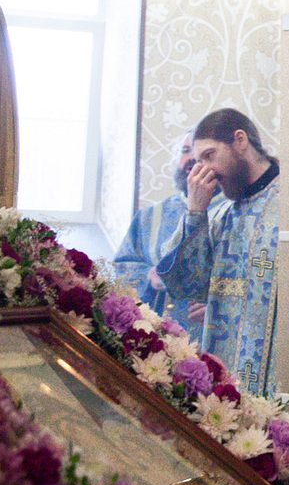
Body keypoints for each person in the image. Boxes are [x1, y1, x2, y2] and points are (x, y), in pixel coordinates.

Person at [157, 108, 280, 394]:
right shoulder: (217, 218)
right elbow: (184, 285)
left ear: (240, 140)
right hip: (226, 385)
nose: (205, 170)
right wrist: (194, 213)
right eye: (198, 161)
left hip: (280, 377)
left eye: (209, 155)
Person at [112, 131, 221, 333]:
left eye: (200, 153)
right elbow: (122, 266)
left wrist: (218, 305)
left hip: (205, 335)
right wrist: (148, 276)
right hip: (152, 336)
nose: (191, 158)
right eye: (185, 150)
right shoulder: (149, 216)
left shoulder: (231, 212)